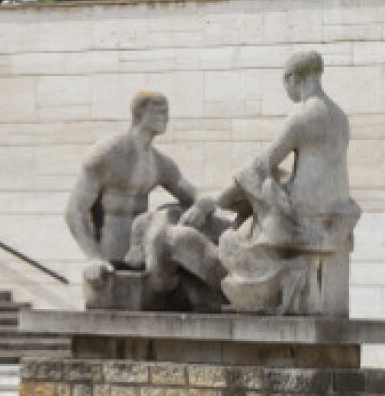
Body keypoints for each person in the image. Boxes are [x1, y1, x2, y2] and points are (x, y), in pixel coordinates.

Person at [216, 50, 361, 315]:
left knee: (258, 185)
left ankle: (273, 272)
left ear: (293, 78)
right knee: (274, 180)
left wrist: (229, 192)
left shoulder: (303, 115)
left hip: (305, 207)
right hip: (337, 204)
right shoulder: (340, 117)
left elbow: (265, 162)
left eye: (285, 82)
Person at [64, 91, 225, 309]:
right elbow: (75, 211)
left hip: (143, 256)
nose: (166, 118)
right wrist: (93, 257)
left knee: (186, 233)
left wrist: (201, 207)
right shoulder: (107, 154)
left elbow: (198, 195)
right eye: (159, 112)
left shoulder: (158, 162)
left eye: (167, 112)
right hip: (111, 259)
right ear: (139, 114)